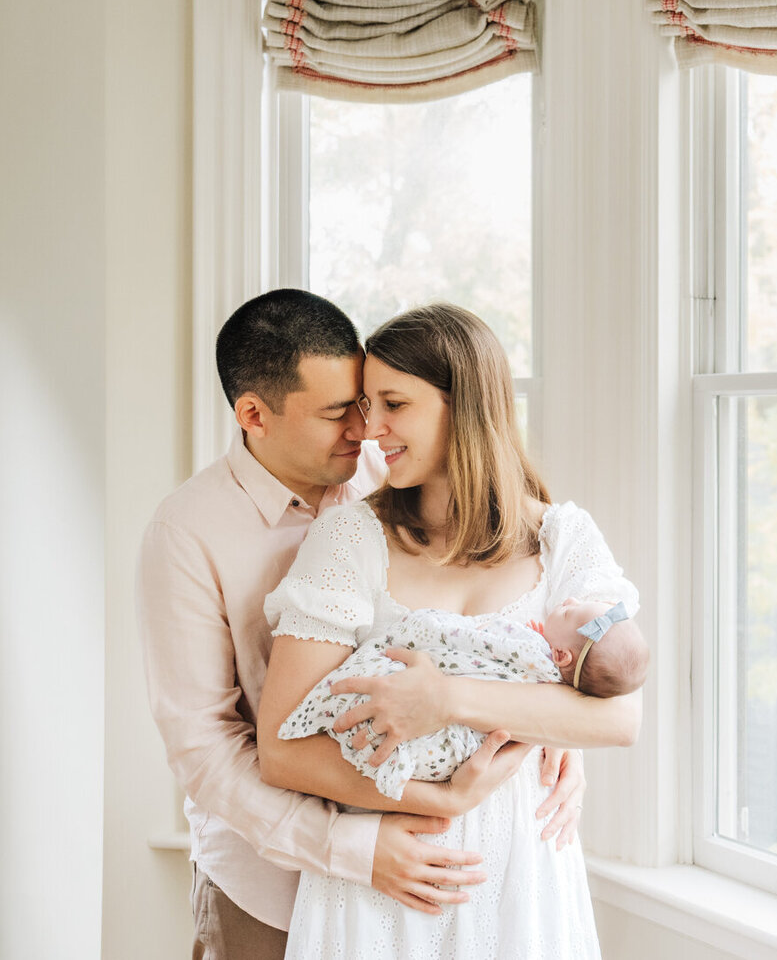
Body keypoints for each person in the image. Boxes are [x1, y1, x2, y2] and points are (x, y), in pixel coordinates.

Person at [137, 289, 580, 959]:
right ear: (253, 414)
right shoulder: (186, 533)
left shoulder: (398, 471)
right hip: (270, 882)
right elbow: (204, 747)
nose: (364, 428)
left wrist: (546, 727)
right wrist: (356, 848)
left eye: (367, 403)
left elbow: (490, 619)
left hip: (422, 885)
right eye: (338, 412)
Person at [257, 302, 644, 959]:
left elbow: (619, 717)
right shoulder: (350, 539)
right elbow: (282, 748)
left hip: (523, 887)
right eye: (363, 403)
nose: (369, 427)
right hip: (388, 884)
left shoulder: (562, 540)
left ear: (461, 404)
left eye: (393, 403)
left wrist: (445, 700)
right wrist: (441, 794)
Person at [279, 596, 649, 800]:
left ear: (562, 657)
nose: (566, 600)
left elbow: (471, 638)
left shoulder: (529, 648)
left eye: (568, 610)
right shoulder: (556, 677)